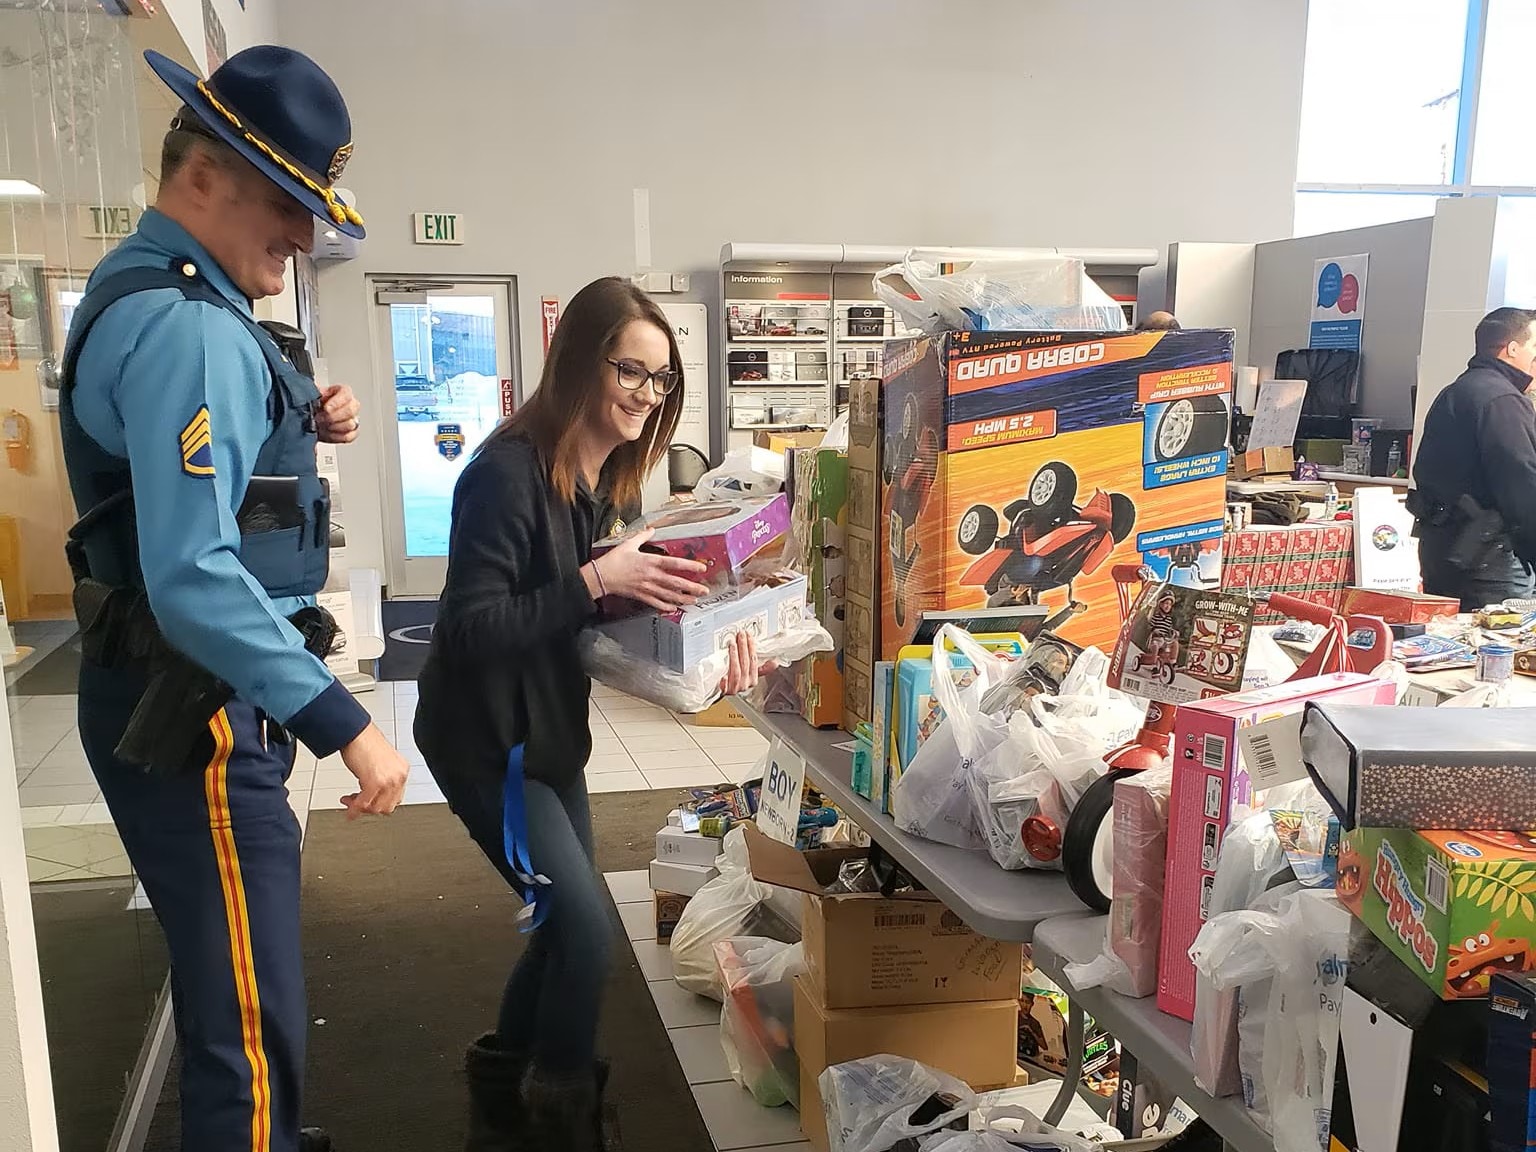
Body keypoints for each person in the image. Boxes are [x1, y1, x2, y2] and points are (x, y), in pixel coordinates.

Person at [58, 46, 410, 1152]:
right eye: (285, 203)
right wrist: (349, 727)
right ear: (201, 177)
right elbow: (198, 576)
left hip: (169, 693)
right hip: (194, 708)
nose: (305, 236)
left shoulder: (158, 292)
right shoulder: (188, 325)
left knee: (240, 995)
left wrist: (303, 409)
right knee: (248, 1028)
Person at [414, 277, 767, 1151]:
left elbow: (592, 629)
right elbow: (467, 630)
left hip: (546, 738)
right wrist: (595, 581)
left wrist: (713, 634)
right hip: (489, 745)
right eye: (631, 372)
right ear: (579, 361)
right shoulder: (504, 475)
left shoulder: (590, 484)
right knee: (581, 932)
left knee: (564, 929)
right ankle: (558, 1124)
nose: (647, 396)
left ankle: (504, 1111)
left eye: (660, 380)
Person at [1410, 307, 1536, 609]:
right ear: (1512, 348)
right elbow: (1523, 485)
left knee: (1454, 642)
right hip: (1491, 560)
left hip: (1442, 549)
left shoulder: (1455, 392)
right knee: (1502, 646)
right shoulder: (1502, 399)